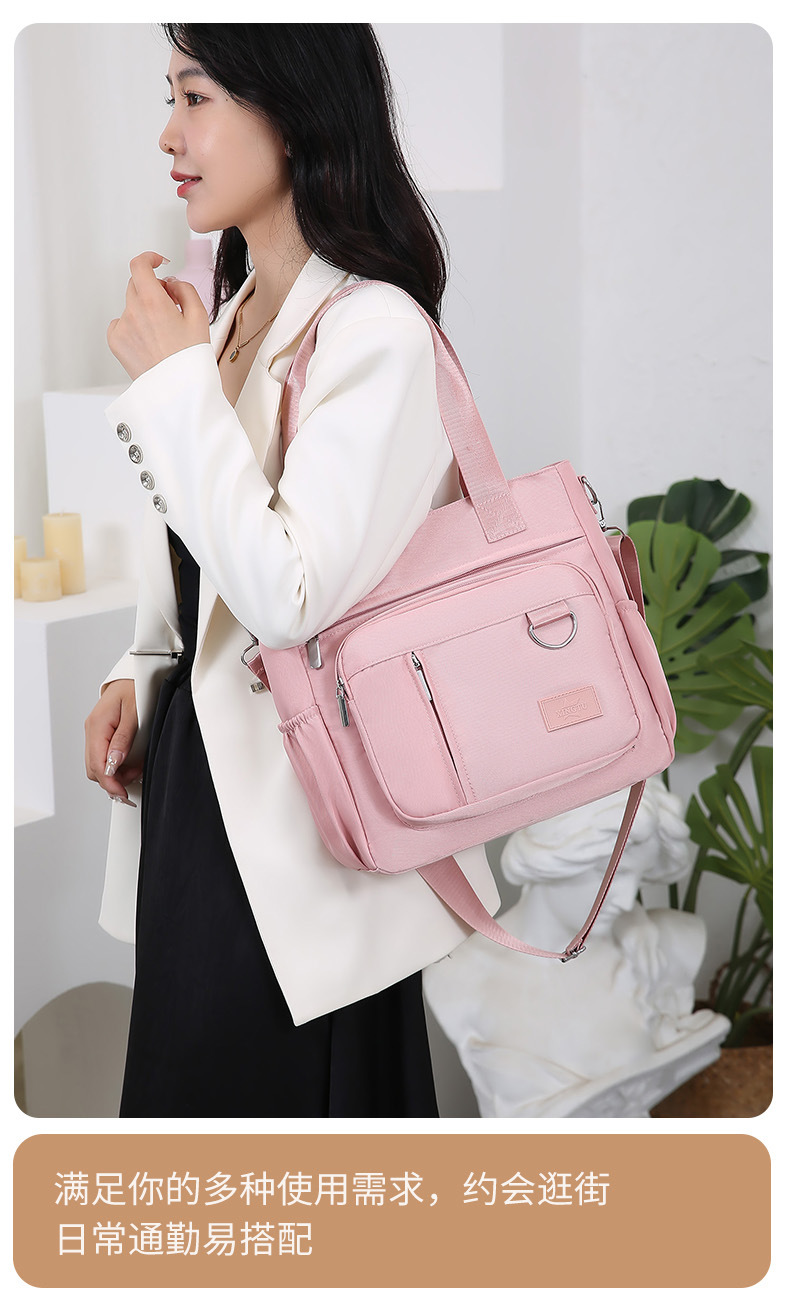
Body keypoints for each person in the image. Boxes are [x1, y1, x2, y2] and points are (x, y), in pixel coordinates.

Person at [83, 22, 499, 1119]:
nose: (169, 135)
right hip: (200, 799)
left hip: (306, 833)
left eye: (197, 98)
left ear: (292, 107)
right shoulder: (227, 322)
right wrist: (141, 670)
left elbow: (289, 593)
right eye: (170, 99)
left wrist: (171, 389)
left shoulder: (376, 333)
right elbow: (205, 577)